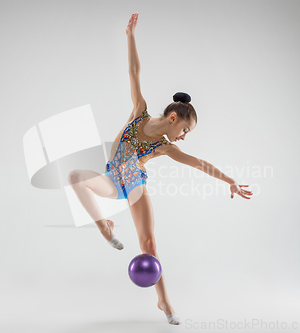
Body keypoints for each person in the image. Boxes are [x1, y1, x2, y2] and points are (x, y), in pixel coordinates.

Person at [67, 12, 253, 325]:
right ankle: (104, 226)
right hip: (112, 178)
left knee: (149, 244)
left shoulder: (165, 147)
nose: (184, 137)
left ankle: (164, 301)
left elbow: (199, 163)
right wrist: (130, 36)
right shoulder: (139, 113)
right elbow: (133, 71)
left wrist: (230, 181)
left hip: (134, 182)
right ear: (173, 119)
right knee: (75, 177)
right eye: (185, 130)